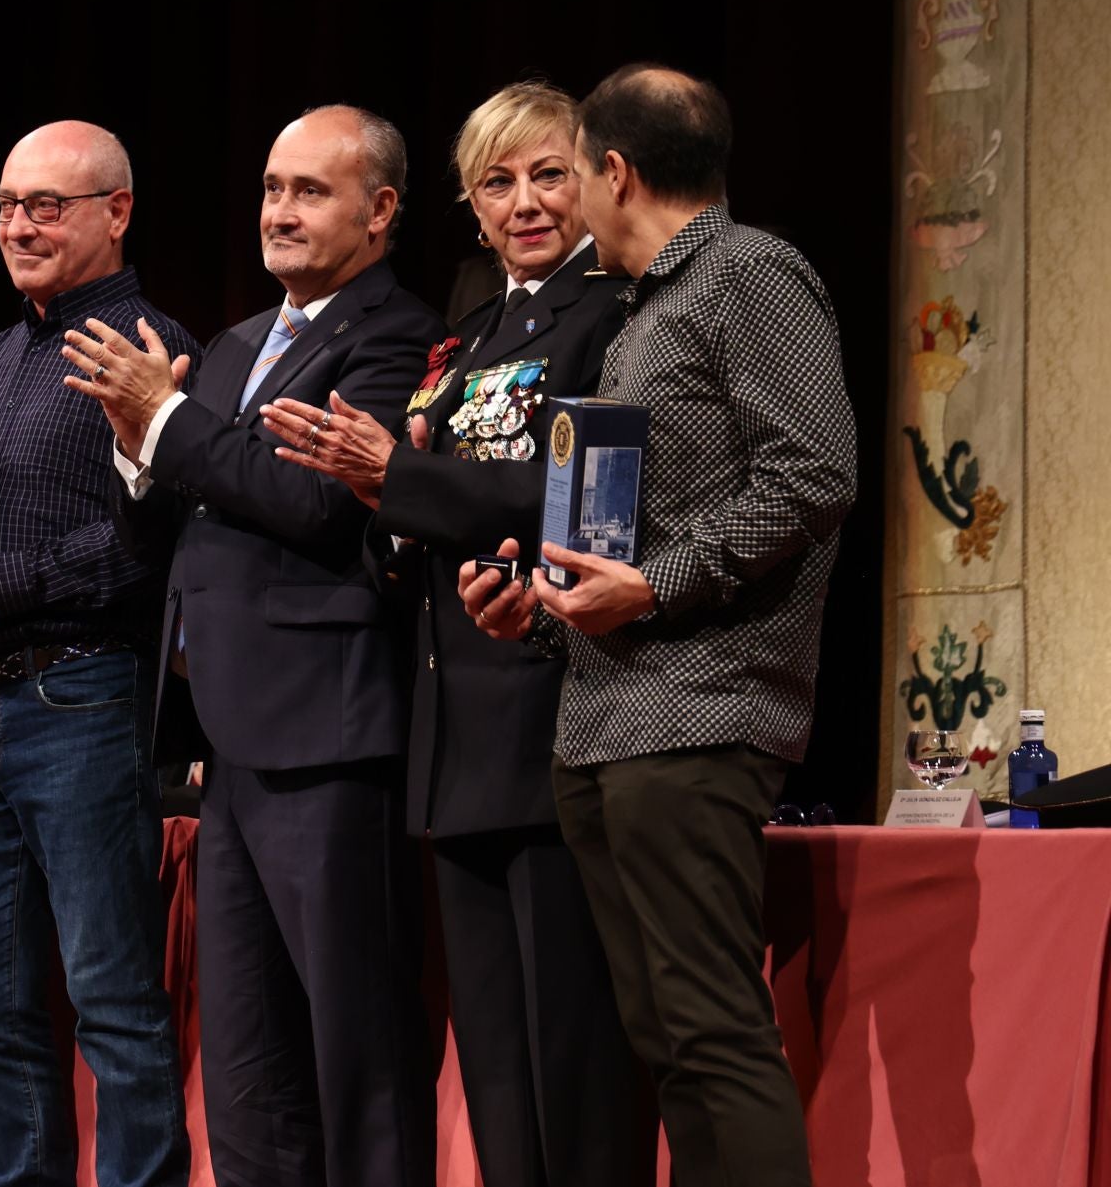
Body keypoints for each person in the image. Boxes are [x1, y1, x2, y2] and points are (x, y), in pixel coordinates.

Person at [462, 64, 856, 1187]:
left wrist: (656, 587)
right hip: (603, 721)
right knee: (668, 1044)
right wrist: (542, 608)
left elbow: (814, 473)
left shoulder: (748, 272)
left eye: (570, 170)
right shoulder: (648, 313)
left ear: (614, 173)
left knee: (715, 1033)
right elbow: (633, 536)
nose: (562, 197)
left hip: (699, 715)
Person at [260, 83, 656, 1187]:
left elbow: (586, 497)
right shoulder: (473, 329)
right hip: (458, 732)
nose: (524, 202)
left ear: (598, 178)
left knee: (574, 1063)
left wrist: (405, 477)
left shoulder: (615, 314)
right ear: (470, 206)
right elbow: (425, 497)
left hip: (558, 710)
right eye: (497, 182)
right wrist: (392, 505)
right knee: (496, 1071)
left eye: (547, 174)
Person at [67, 104, 438, 1187]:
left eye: (309, 192)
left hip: (328, 735)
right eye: (273, 189)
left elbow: (322, 507)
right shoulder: (233, 345)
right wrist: (143, 447)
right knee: (246, 1064)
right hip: (223, 744)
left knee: (357, 1053)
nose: (279, 212)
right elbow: (178, 526)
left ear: (379, 213)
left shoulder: (395, 335)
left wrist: (171, 426)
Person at [0, 120, 196, 1187]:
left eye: (47, 206)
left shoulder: (147, 350)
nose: (19, 225)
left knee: (111, 1000)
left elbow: (149, 549)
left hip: (81, 696)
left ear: (118, 211)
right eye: (7, 206)